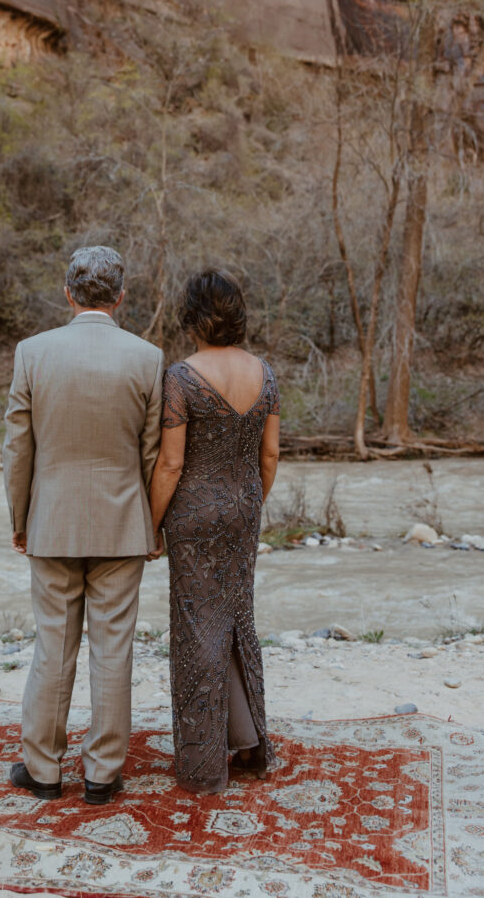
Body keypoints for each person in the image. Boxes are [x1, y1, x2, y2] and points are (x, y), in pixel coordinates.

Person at [2, 245, 164, 805]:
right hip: (123, 523)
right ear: (120, 296)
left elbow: (17, 447)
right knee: (113, 647)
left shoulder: (33, 352)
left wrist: (20, 518)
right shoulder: (147, 357)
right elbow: (152, 454)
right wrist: (153, 524)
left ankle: (43, 770)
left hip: (52, 520)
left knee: (53, 645)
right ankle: (103, 773)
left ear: (67, 292)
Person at [148, 268, 280, 793]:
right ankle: (250, 745)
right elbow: (270, 454)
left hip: (194, 513)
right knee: (237, 616)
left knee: (197, 626)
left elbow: (171, 465)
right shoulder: (264, 373)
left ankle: (205, 766)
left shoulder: (182, 377)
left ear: (192, 317)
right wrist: (250, 502)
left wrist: (150, 524)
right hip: (245, 506)